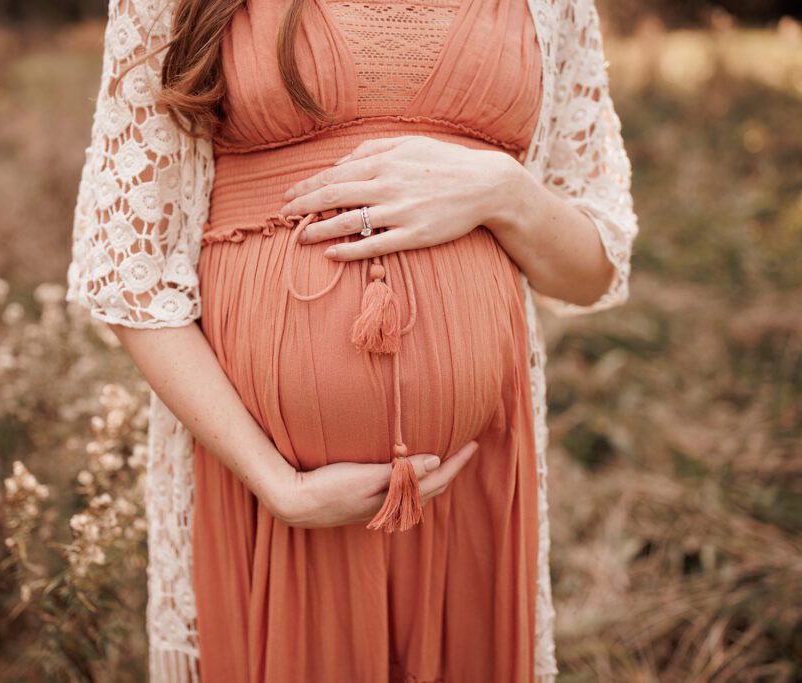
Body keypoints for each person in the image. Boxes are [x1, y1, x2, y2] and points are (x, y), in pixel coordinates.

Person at [66, 0, 639, 680]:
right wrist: (278, 483)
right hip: (266, 496)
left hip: (470, 479)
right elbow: (128, 271)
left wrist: (507, 192)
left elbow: (592, 268)